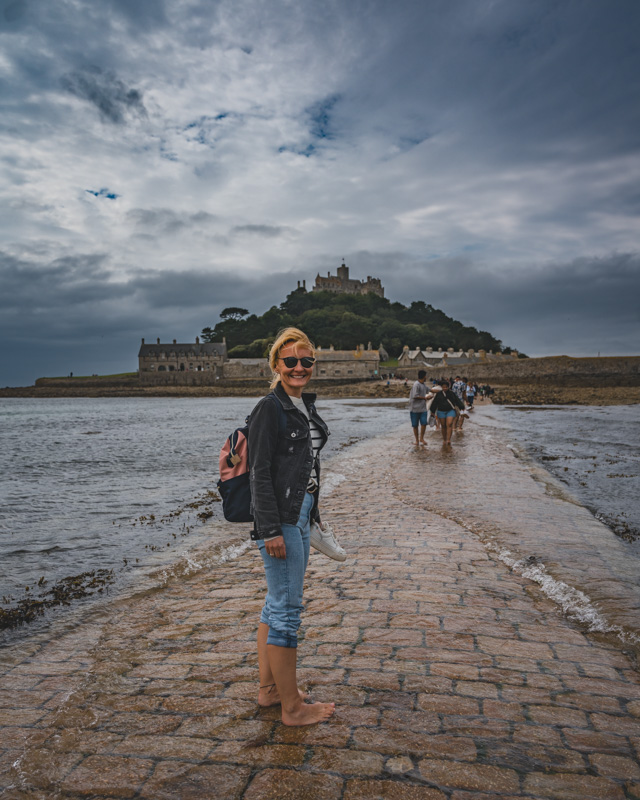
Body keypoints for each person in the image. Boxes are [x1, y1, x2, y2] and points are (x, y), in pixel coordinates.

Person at [248, 328, 336, 726]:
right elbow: (258, 473)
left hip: (300, 514)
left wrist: (312, 514)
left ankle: (270, 692)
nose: (299, 367)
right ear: (276, 365)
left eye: (306, 360)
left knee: (275, 603)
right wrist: (270, 531)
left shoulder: (303, 405)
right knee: (287, 609)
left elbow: (306, 468)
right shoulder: (271, 407)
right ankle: (292, 708)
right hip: (281, 518)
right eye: (290, 361)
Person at [429, 379, 465, 445]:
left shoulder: (451, 393)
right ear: (441, 387)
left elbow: (457, 401)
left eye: (446, 387)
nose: (445, 388)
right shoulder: (439, 394)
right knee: (443, 426)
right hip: (441, 411)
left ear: (448, 387)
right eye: (443, 387)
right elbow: (435, 403)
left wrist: (462, 407)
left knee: (449, 424)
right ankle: (444, 439)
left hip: (450, 410)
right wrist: (432, 411)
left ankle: (448, 439)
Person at [409, 370, 433, 445]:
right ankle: (417, 440)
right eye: (426, 376)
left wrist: (441, 390)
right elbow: (415, 396)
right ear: (424, 376)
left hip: (423, 408)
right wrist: (425, 398)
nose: (426, 377)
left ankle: (421, 438)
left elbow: (431, 390)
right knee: (415, 425)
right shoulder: (416, 385)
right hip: (414, 409)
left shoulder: (423, 385)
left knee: (424, 423)